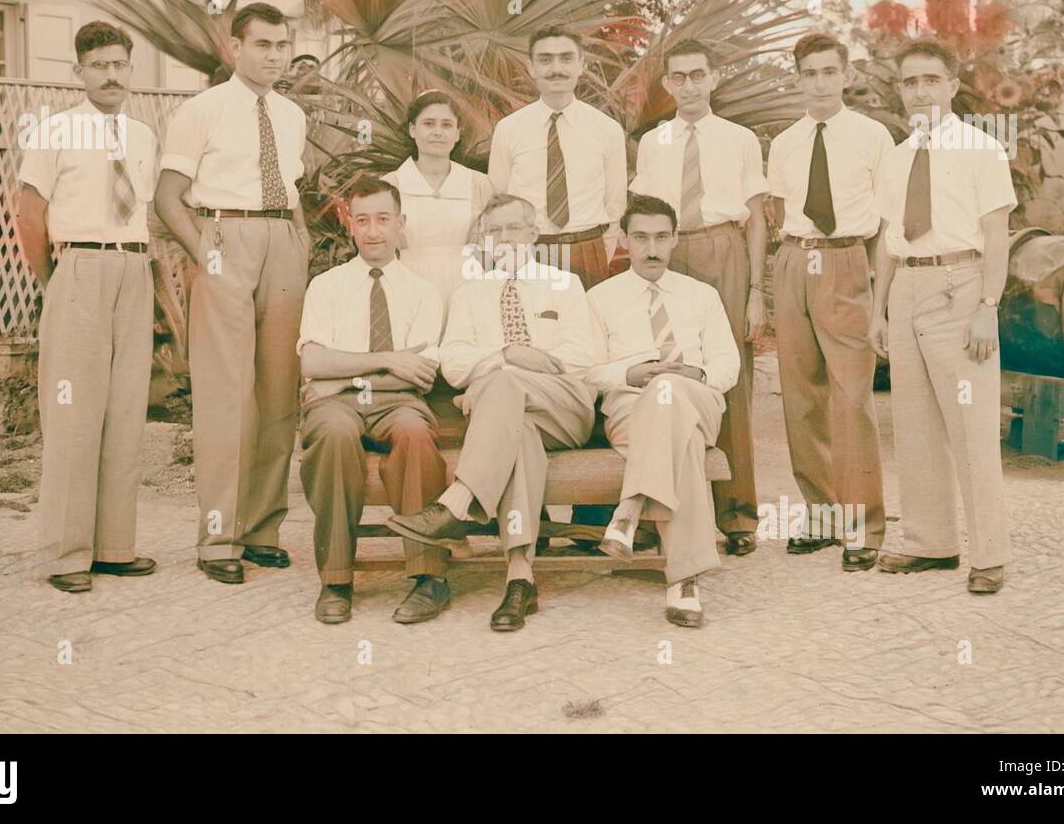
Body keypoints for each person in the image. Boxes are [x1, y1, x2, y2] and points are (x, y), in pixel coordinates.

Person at [385, 194, 597, 632]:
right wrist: (509, 354)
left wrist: (497, 374)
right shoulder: (468, 294)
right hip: (512, 421)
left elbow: (582, 358)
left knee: (500, 384)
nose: (505, 239)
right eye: (494, 230)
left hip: (565, 409)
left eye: (514, 228)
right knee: (516, 432)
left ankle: (458, 502)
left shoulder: (566, 284)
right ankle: (520, 580)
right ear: (484, 239)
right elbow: (455, 364)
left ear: (534, 233)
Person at [154, 2, 309, 585]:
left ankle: (263, 529)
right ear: (235, 48)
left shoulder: (292, 114)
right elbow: (169, 197)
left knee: (277, 390)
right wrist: (206, 255)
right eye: (263, 45)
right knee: (227, 393)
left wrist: (300, 238)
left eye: (282, 45)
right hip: (223, 235)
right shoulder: (202, 110)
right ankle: (219, 538)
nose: (274, 56)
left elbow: (291, 185)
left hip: (281, 242)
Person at [15, 20, 159, 593]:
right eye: (99, 65)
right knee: (75, 416)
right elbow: (28, 215)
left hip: (133, 268)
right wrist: (54, 278)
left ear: (130, 69)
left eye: (120, 64)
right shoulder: (53, 132)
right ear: (79, 73)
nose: (111, 74)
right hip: (78, 267)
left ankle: (114, 547)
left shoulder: (145, 135)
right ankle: (67, 554)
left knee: (125, 411)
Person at [868, 37, 1015, 595]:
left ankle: (990, 555)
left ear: (953, 85)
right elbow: (888, 238)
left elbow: (997, 236)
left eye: (931, 79)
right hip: (907, 285)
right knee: (914, 422)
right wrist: (879, 310)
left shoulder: (983, 150)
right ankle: (931, 543)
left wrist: (988, 307)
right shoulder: (897, 156)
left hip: (962, 286)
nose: (920, 91)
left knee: (971, 425)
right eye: (910, 82)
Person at [630, 39, 767, 556]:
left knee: (726, 371)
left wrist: (755, 290)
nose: (689, 85)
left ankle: (737, 514)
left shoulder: (740, 139)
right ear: (667, 84)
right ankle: (657, 507)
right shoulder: (653, 142)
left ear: (714, 78)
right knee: (662, 365)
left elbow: (756, 219)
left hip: (722, 249)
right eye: (679, 77)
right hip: (665, 250)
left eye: (698, 75)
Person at [297, 178, 451, 625]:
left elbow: (419, 373)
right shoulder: (326, 287)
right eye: (362, 220)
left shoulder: (423, 291)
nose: (373, 231)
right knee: (333, 432)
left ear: (401, 224)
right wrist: (388, 360)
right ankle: (337, 578)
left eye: (384, 219)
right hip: (339, 409)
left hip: (397, 404)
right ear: (351, 227)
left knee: (415, 433)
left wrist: (340, 377)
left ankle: (429, 577)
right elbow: (311, 359)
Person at [765, 32, 889, 568]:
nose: (819, 82)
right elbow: (777, 212)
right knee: (800, 393)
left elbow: (885, 226)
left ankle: (863, 526)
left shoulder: (872, 136)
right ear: (797, 78)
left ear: (846, 75)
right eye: (809, 73)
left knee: (851, 394)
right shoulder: (785, 142)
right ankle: (820, 514)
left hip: (845, 260)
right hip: (795, 259)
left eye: (828, 71)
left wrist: (879, 298)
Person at [586, 195, 738, 627]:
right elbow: (587, 370)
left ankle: (631, 507)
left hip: (697, 402)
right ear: (624, 241)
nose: (651, 249)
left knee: (671, 388)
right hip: (631, 410)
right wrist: (630, 373)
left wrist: (690, 374)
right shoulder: (599, 299)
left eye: (660, 237)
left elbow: (729, 366)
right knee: (683, 441)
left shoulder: (702, 295)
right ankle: (684, 581)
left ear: (674, 240)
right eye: (640, 238)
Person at [487, 24, 627, 290]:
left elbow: (615, 204)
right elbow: (499, 199)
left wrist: (598, 254)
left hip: (587, 250)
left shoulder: (606, 129)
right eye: (545, 59)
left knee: (587, 331)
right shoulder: (509, 129)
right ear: (531, 67)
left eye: (566, 58)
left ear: (581, 65)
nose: (556, 69)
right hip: (529, 253)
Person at [381, 90, 493, 306]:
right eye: (429, 124)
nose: (438, 132)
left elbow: (490, 247)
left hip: (468, 287)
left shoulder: (479, 184)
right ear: (413, 129)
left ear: (458, 133)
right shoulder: (390, 184)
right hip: (408, 286)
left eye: (447, 125)